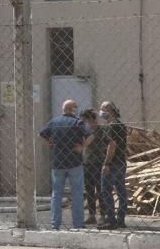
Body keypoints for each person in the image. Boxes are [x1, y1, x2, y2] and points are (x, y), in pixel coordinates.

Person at [39, 99, 92, 229]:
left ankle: (55, 223)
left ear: (64, 109)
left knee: (56, 194)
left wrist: (50, 143)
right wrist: (82, 146)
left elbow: (41, 134)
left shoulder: (54, 122)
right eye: (76, 107)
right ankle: (78, 224)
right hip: (74, 163)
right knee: (77, 193)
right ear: (73, 109)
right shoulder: (77, 122)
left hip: (58, 163)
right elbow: (91, 136)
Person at [98, 100, 128, 230]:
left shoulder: (112, 126)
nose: (100, 112)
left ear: (108, 110)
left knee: (106, 191)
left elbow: (112, 145)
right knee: (121, 191)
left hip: (112, 164)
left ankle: (111, 221)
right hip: (121, 162)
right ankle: (121, 219)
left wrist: (106, 163)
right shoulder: (120, 124)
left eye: (102, 109)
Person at [80, 108, 108, 225]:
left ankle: (103, 215)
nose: (83, 122)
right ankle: (92, 215)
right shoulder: (85, 130)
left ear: (90, 119)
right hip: (87, 162)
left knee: (100, 189)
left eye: (84, 120)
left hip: (98, 162)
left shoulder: (101, 129)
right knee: (89, 189)